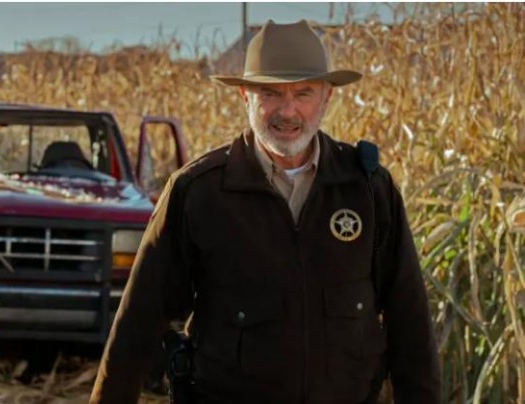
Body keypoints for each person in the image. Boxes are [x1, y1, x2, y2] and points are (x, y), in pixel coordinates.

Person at [91, 20, 440, 403]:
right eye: (270, 93)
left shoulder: (369, 190)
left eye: (303, 94)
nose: (287, 112)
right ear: (245, 95)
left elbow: (410, 323)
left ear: (326, 98)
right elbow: (138, 322)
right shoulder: (199, 193)